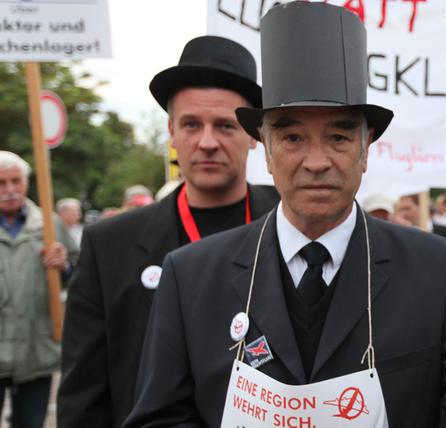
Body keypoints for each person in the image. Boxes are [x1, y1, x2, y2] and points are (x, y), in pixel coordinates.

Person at [124, 4, 446, 426]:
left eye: (338, 136)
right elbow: (159, 416)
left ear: (366, 149)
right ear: (264, 147)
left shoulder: (435, 267)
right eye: (291, 137)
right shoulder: (192, 275)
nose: (315, 161)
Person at [58, 36, 280, 428]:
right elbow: (84, 395)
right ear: (171, 132)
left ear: (254, 134)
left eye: (225, 125)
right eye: (191, 124)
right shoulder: (109, 245)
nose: (207, 142)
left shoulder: (294, 224)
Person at [0, 151, 78, 428]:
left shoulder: (49, 224)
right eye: (2, 183)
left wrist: (64, 266)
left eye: (16, 181)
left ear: (27, 183)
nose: (10, 190)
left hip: (37, 349)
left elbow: (81, 276)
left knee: (30, 423)